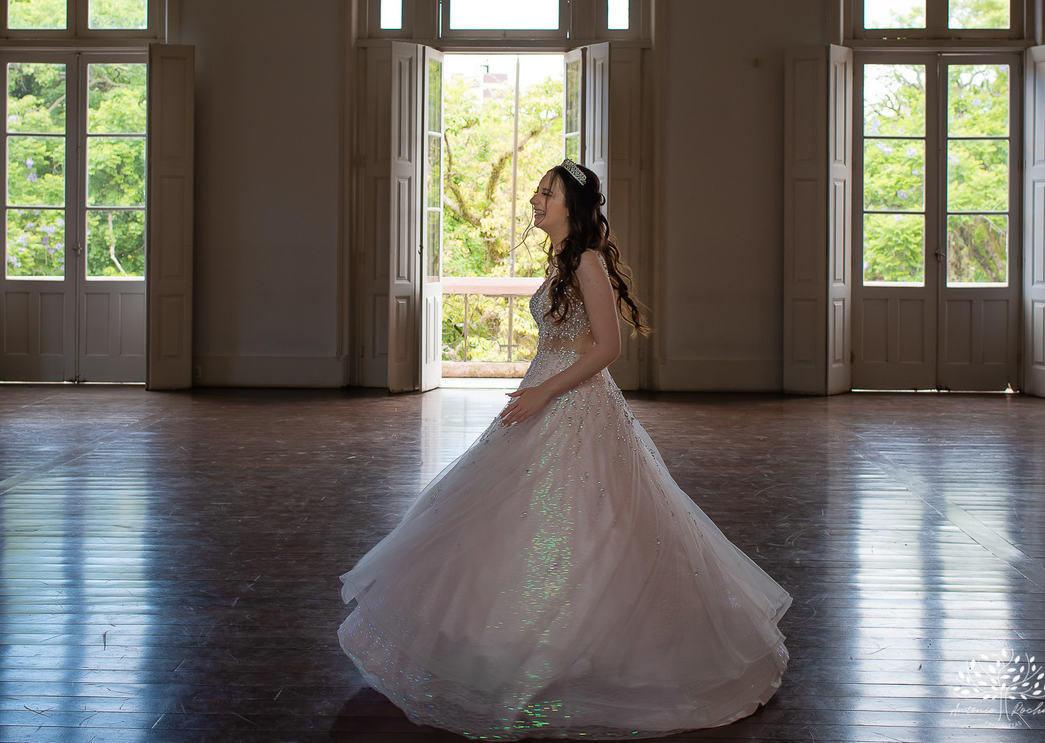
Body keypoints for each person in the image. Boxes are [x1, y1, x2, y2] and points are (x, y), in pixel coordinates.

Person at [339, 159, 790, 740]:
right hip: (545, 398)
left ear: (571, 206)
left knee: (589, 521)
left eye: (546, 193)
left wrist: (541, 394)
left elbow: (606, 349)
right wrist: (535, 392)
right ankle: (503, 642)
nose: (534, 199)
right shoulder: (562, 261)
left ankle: (581, 652)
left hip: (574, 405)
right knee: (508, 518)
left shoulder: (586, 261)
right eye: (538, 191)